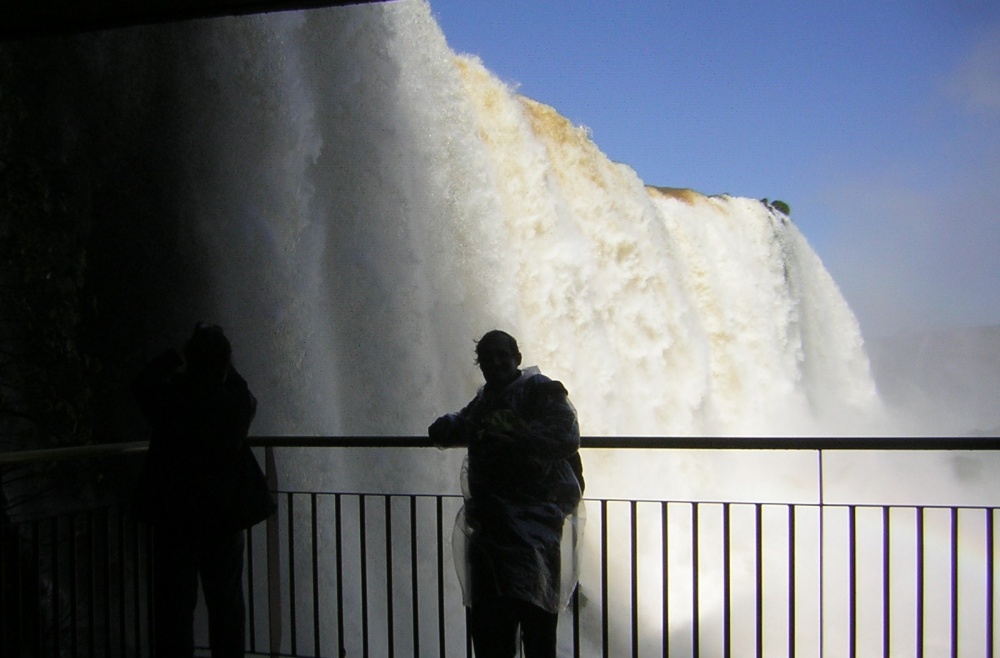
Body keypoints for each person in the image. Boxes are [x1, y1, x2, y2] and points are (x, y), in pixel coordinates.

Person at [429, 330, 584, 658]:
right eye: (487, 358)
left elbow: (565, 435)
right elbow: (466, 421)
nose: (495, 363)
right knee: (491, 632)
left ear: (517, 357)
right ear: (481, 365)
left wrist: (514, 437)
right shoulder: (488, 398)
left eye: (502, 355)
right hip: (492, 532)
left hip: (536, 534)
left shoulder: (541, 390)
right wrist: (445, 426)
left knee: (537, 630)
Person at [132, 323, 274, 658]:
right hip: (222, 518)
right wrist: (225, 364)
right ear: (223, 364)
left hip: (175, 516)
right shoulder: (234, 406)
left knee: (174, 606)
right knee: (226, 605)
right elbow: (246, 394)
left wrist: (173, 358)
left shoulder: (169, 400)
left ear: (190, 360)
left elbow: (142, 385)